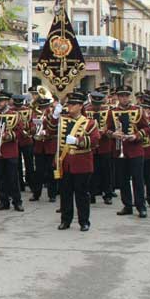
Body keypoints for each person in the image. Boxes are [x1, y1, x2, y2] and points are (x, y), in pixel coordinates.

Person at [56, 91, 100, 232]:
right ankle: (65, 220)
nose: (70, 107)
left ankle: (84, 221)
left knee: (82, 194)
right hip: (65, 162)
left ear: (80, 106)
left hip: (82, 163)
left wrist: (77, 141)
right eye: (69, 104)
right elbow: (49, 129)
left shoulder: (90, 123)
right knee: (65, 193)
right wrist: (53, 115)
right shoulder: (62, 119)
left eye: (73, 104)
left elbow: (94, 140)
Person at [107, 86, 150, 218]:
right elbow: (106, 130)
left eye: (126, 96)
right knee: (123, 180)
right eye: (121, 96)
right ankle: (127, 205)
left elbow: (146, 128)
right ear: (118, 97)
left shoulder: (138, 110)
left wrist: (136, 136)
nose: (124, 98)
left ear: (129, 97)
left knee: (138, 179)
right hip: (119, 149)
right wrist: (113, 134)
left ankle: (141, 206)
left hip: (135, 150)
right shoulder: (112, 111)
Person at [0, 91, 23, 211]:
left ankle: (17, 202)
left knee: (13, 178)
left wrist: (8, 135)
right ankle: (4, 200)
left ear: (6, 102)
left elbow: (19, 131)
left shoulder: (15, 115)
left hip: (10, 151)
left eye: (1, 101)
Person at [84, 91, 113, 205]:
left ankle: (108, 194)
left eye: (98, 104)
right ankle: (92, 193)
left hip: (104, 145)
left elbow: (111, 126)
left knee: (106, 171)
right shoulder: (86, 111)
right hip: (91, 146)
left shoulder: (108, 111)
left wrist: (107, 131)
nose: (96, 106)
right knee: (92, 171)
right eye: (95, 104)